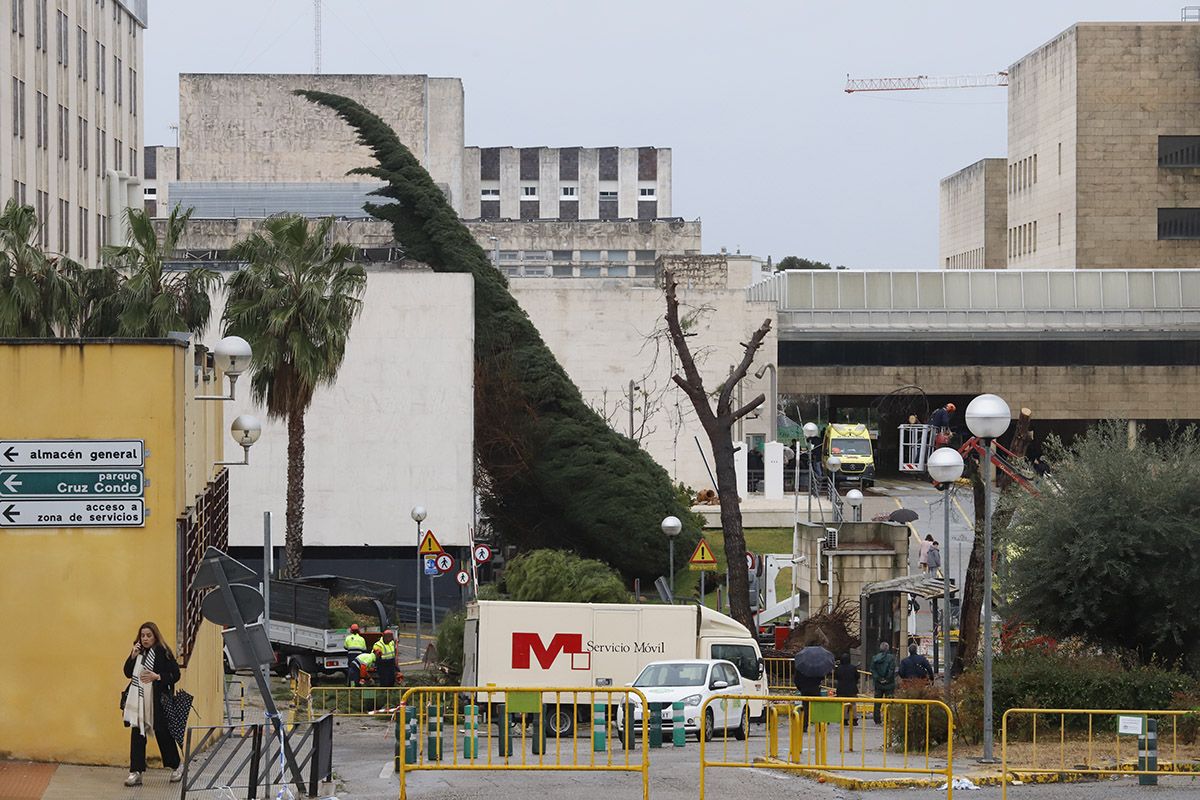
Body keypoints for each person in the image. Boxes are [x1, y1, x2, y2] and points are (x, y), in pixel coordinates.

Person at [122, 622, 183, 787]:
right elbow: (127, 672)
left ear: (155, 636)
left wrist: (158, 677)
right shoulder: (138, 652)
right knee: (137, 736)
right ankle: (136, 772)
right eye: (142, 635)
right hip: (138, 702)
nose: (145, 638)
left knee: (163, 734)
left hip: (157, 702)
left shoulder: (163, 651)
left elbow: (175, 674)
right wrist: (133, 655)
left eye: (149, 635)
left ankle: (177, 766)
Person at [870, 642, 896, 725]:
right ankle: (888, 718)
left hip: (878, 684)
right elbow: (892, 670)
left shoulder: (874, 658)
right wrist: (887, 679)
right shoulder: (891, 658)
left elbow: (872, 670)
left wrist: (878, 678)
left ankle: (877, 719)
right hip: (889, 684)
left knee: (877, 703)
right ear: (887, 648)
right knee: (889, 702)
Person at [833, 652, 859, 726]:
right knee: (853, 704)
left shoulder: (839, 668)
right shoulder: (853, 668)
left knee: (843, 704)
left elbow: (836, 677)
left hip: (841, 688)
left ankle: (844, 719)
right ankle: (854, 719)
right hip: (852, 688)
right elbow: (857, 676)